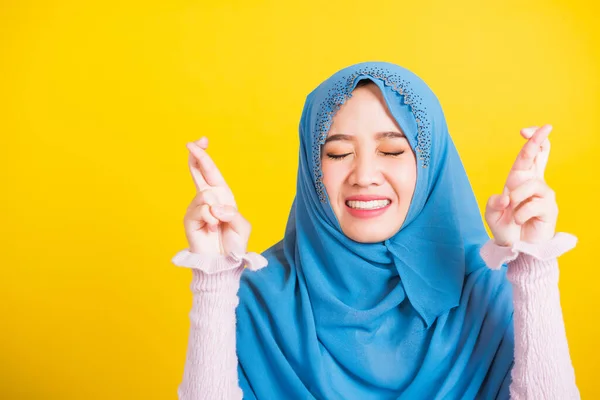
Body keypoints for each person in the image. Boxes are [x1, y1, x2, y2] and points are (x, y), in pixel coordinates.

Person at [171, 62, 580, 399]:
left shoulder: (487, 287)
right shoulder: (256, 294)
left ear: (430, 163)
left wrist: (532, 264)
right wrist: (214, 278)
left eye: (392, 150)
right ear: (314, 171)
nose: (364, 175)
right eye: (338, 153)